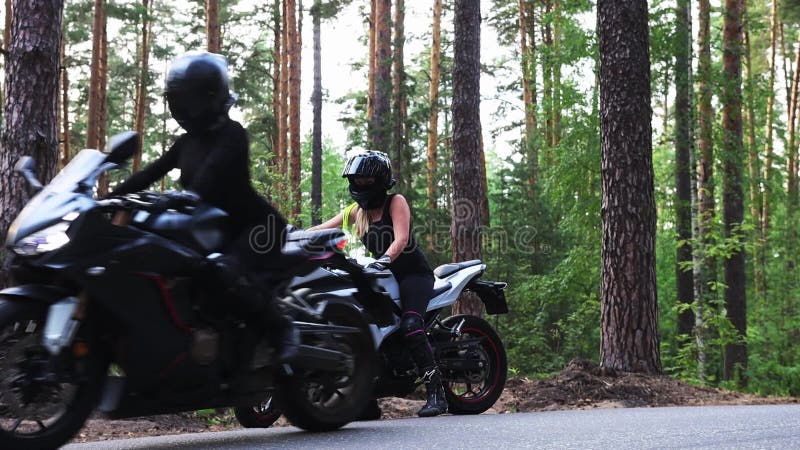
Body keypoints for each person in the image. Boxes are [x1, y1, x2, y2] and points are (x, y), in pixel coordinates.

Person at [109, 51, 298, 362]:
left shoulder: (232, 134)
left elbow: (212, 174)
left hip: (256, 226)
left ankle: (281, 328)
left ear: (211, 96)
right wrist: (108, 198)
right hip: (212, 226)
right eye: (178, 99)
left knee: (227, 270)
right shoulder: (186, 142)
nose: (183, 107)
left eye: (189, 99)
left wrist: (178, 197)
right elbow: (149, 173)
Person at [309, 150, 448, 417]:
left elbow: (401, 239)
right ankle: (365, 400)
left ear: (380, 180)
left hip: (412, 274)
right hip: (382, 276)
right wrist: (292, 237)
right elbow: (324, 228)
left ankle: (437, 394)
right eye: (356, 179)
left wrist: (384, 259)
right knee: (363, 328)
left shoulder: (395, 202)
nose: (360, 184)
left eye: (366, 180)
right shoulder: (355, 211)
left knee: (410, 326)